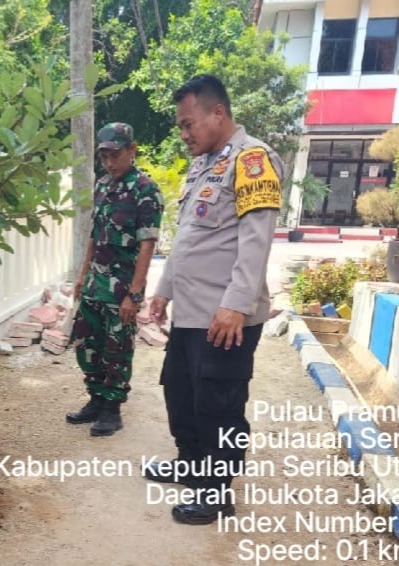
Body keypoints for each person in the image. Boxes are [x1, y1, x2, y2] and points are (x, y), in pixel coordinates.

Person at [144, 75, 284, 525]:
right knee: (180, 393)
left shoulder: (253, 159)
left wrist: (236, 304)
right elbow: (187, 237)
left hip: (226, 316)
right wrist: (164, 291)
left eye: (189, 124)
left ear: (217, 113)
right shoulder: (204, 164)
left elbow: (255, 239)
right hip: (190, 313)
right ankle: (190, 465)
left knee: (219, 404)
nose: (184, 134)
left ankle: (217, 490)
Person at [66, 122, 163, 437]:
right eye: (104, 155)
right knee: (86, 342)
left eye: (115, 154)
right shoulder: (102, 186)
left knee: (116, 348)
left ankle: (112, 409)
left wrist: (134, 294)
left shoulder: (145, 189)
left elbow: (148, 244)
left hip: (122, 287)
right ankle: (95, 399)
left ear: (132, 150)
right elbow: (94, 235)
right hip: (96, 283)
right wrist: (82, 275)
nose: (109, 162)